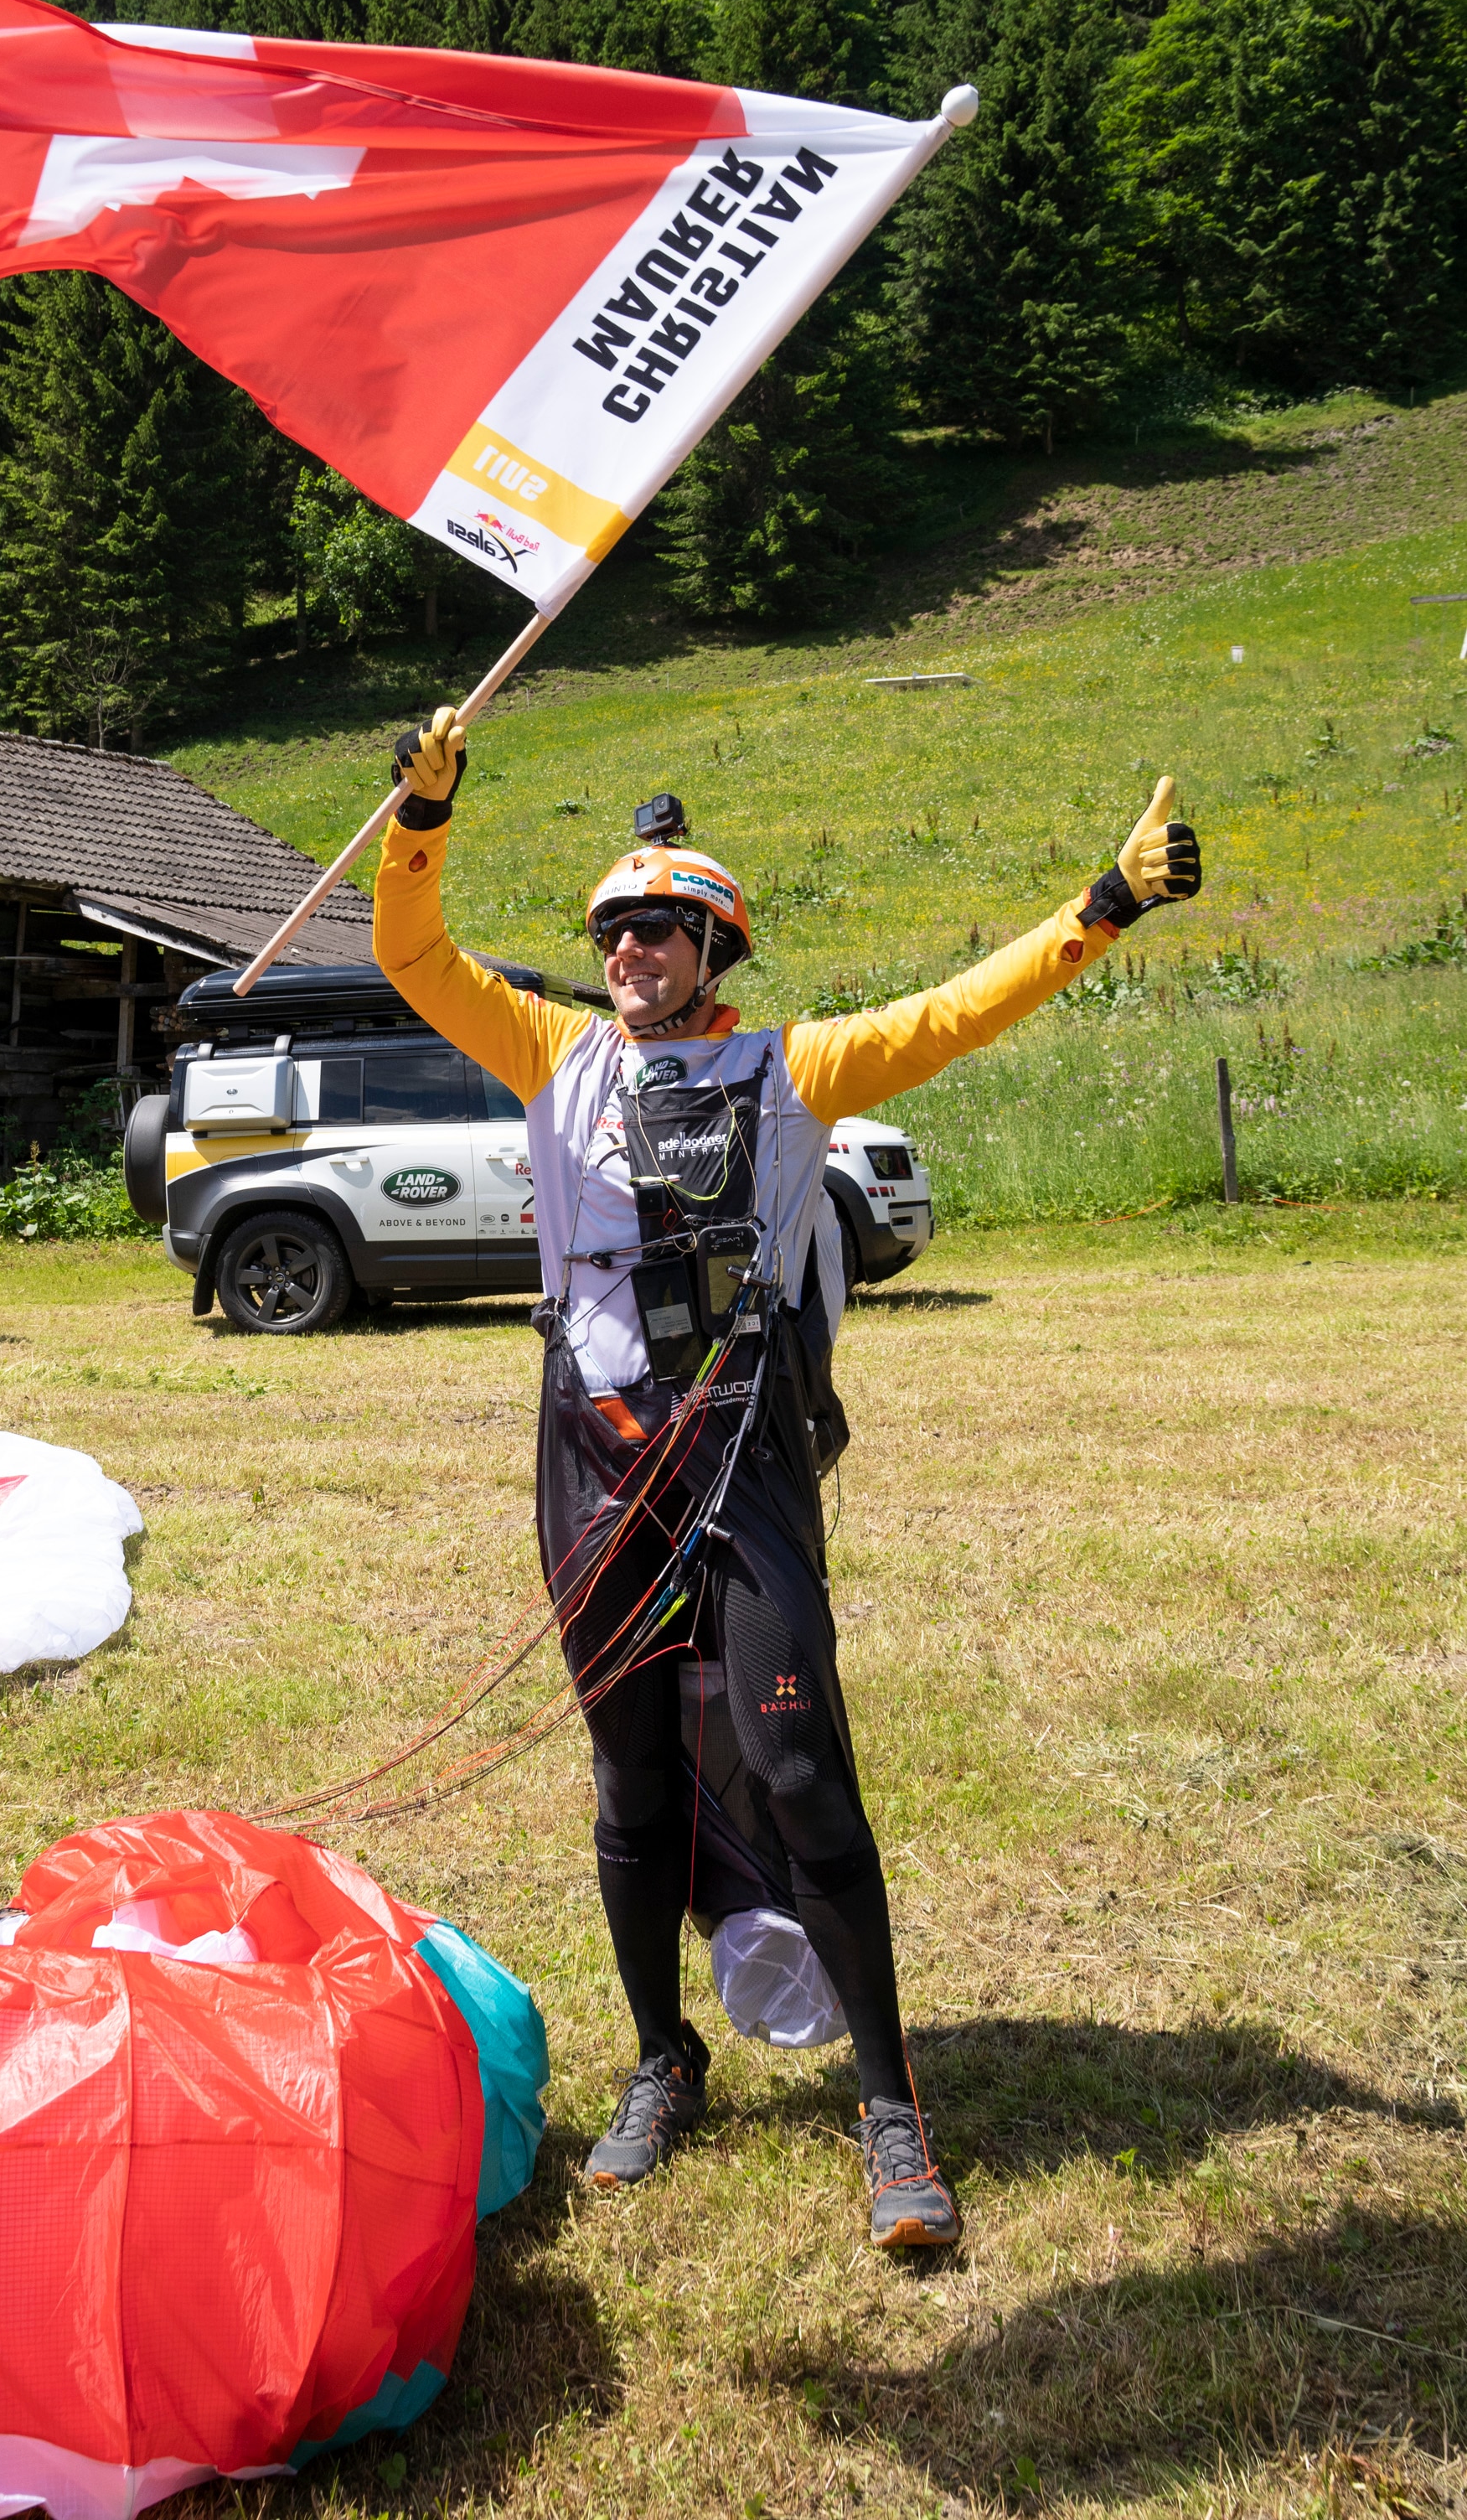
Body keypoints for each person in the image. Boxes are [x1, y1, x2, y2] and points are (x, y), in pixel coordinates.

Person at [372, 720, 1201, 2247]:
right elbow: (410, 950)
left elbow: (963, 1009)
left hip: (743, 1443)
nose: (628, 948)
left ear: (712, 943)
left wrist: (1103, 905)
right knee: (627, 1775)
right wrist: (423, 808)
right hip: (593, 1444)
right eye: (611, 927)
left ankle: (892, 2111)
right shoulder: (551, 1053)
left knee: (802, 1762)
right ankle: (659, 2060)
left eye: (658, 927)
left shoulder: (799, 1064)